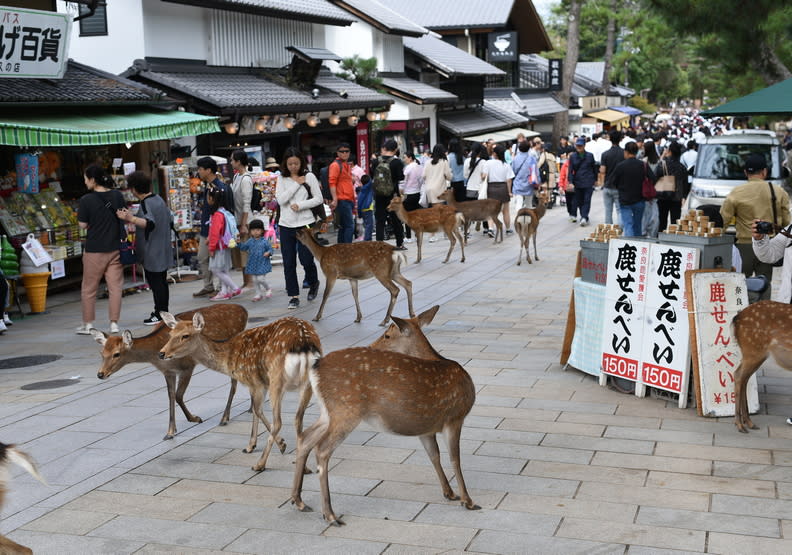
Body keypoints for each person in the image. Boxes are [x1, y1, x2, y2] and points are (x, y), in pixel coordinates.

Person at [721, 153, 791, 299]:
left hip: (744, 247)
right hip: (771, 243)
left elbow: (723, 220)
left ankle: (741, 313)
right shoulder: (778, 191)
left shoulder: (736, 193)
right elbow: (786, 223)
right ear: (764, 171)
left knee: (739, 284)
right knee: (764, 283)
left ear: (746, 172)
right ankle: (762, 315)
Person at [115, 171, 173, 325]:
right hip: (162, 247)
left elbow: (149, 223)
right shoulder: (158, 199)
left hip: (152, 250)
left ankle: (159, 314)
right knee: (161, 282)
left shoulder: (146, 203)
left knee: (156, 284)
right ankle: (164, 312)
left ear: (134, 189)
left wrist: (130, 218)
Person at [76, 164, 125, 335]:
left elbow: (82, 224)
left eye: (85, 178)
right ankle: (114, 324)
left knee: (89, 288)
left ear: (92, 179)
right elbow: (123, 216)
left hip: (94, 249)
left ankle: (88, 324)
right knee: (115, 287)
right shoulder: (117, 195)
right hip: (115, 248)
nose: (84, 182)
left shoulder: (86, 200)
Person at [275, 146, 322, 309]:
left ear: (301, 162)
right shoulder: (281, 178)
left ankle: (313, 281)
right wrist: (296, 184)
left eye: (296, 163)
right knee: (288, 262)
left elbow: (318, 199)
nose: (293, 167)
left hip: (305, 224)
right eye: (290, 164)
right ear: (285, 164)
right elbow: (280, 200)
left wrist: (301, 205)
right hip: (286, 224)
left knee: (306, 259)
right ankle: (293, 296)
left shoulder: (309, 176)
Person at [193, 156, 234, 298]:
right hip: (207, 229)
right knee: (203, 257)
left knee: (216, 260)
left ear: (208, 170)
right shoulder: (209, 186)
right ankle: (209, 286)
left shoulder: (219, 188)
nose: (198, 171)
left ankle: (221, 287)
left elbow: (224, 212)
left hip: (216, 231)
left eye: (200, 169)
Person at [206, 187, 241, 301]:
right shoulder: (225, 212)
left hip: (218, 247)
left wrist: (211, 247)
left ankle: (234, 288)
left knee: (216, 269)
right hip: (226, 244)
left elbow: (215, 233)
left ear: (211, 199)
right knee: (224, 269)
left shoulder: (217, 215)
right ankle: (224, 292)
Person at [610, 142, 651, 237]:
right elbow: (653, 178)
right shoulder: (643, 165)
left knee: (628, 225)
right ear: (636, 152)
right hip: (640, 199)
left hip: (625, 200)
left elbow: (613, 182)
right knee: (638, 224)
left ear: (626, 152)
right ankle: (637, 245)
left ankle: (630, 243)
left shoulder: (620, 166)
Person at [372, 139, 406, 250]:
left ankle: (379, 245)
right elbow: (401, 177)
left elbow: (372, 175)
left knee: (380, 220)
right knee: (396, 220)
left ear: (385, 148)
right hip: (393, 195)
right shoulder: (397, 162)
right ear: (395, 150)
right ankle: (399, 243)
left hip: (379, 195)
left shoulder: (375, 161)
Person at [229, 150, 254, 292]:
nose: (231, 162)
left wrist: (244, 224)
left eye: (232, 160)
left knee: (246, 253)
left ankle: (250, 283)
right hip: (238, 220)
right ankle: (246, 282)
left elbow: (246, 203)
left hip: (246, 221)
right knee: (241, 253)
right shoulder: (237, 176)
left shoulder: (245, 178)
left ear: (238, 161)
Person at [656, 142, 690, 232]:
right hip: (676, 197)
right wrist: (684, 197)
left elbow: (655, 177)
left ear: (669, 151)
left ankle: (660, 239)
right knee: (675, 221)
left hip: (663, 196)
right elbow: (685, 184)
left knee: (662, 220)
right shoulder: (682, 167)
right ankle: (674, 240)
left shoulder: (662, 165)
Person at [481, 144, 515, 235]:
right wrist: (509, 192)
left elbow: (484, 176)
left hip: (491, 188)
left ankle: (491, 228)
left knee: (491, 210)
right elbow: (509, 180)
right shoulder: (506, 165)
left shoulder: (488, 163)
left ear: (494, 153)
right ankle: (508, 229)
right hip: (503, 188)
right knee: (506, 211)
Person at [239, 219, 273, 302]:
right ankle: (258, 294)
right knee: (254, 280)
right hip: (253, 263)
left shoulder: (264, 241)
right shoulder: (250, 241)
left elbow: (271, 249)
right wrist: (239, 243)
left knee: (261, 279)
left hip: (262, 263)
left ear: (262, 231)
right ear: (250, 231)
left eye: (258, 230)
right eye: (253, 230)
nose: (255, 232)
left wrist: (268, 253)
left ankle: (268, 288)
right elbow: (243, 247)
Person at [328, 142, 355, 244]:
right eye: (342, 151)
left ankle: (341, 250)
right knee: (349, 226)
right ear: (337, 153)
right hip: (342, 200)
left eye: (347, 151)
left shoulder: (346, 165)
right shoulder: (335, 165)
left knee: (344, 226)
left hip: (347, 200)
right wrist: (335, 199)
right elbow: (332, 182)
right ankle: (347, 249)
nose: (344, 153)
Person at [568, 137, 597, 227]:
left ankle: (584, 216)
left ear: (584, 146)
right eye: (577, 145)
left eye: (580, 145)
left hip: (588, 181)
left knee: (587, 200)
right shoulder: (573, 156)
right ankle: (584, 216)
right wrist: (570, 181)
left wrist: (595, 180)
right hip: (578, 181)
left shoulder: (590, 156)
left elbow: (594, 168)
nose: (579, 147)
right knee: (580, 200)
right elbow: (570, 170)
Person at [599, 130, 624, 226]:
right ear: (620, 140)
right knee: (620, 210)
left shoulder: (605, 154)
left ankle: (609, 230)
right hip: (620, 186)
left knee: (608, 210)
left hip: (608, 185)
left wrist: (602, 183)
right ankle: (621, 229)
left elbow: (602, 171)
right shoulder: (624, 153)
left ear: (610, 139)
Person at [400, 151, 422, 242]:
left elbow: (403, 181)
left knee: (407, 216)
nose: (404, 159)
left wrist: (401, 190)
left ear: (410, 158)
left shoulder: (408, 168)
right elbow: (421, 180)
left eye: (405, 157)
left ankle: (408, 237)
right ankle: (418, 234)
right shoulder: (419, 167)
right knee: (416, 215)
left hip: (409, 193)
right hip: (417, 193)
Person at [511, 140, 536, 209]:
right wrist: (538, 182)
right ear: (529, 148)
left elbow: (512, 172)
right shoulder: (532, 159)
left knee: (519, 203)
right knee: (529, 204)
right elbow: (535, 172)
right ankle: (528, 218)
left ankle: (518, 218)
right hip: (529, 184)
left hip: (518, 184)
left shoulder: (515, 159)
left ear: (519, 148)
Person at [356, 174, 375, 241]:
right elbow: (371, 182)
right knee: (369, 225)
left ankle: (367, 238)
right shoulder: (368, 188)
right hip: (368, 209)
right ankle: (367, 239)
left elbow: (359, 203)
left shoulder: (361, 191)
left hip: (363, 210)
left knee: (367, 225)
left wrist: (359, 213)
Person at [447, 138, 466, 203]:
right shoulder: (463, 157)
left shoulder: (448, 157)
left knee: (453, 204)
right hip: (463, 183)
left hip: (453, 183)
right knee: (461, 203)